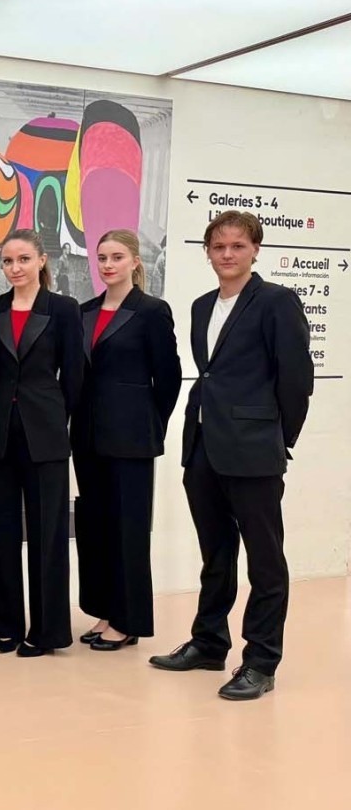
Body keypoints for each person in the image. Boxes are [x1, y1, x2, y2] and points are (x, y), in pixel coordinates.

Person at [150, 210, 313, 700]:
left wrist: (280, 437)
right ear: (207, 252)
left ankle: (261, 661)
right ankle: (208, 642)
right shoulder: (202, 306)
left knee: (264, 560)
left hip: (254, 448)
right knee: (214, 554)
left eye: (238, 246)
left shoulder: (277, 302)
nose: (227, 255)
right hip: (203, 445)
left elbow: (295, 378)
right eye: (219, 247)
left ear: (255, 250)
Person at [72, 229, 181, 651]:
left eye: (117, 256)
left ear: (135, 262)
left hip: (132, 435)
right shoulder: (84, 311)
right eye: (102, 257)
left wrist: (149, 420)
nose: (108, 264)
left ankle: (129, 618)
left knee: (129, 529)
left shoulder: (152, 311)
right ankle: (105, 611)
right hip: (87, 433)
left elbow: (168, 377)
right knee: (96, 525)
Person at [0, 229, 84, 657]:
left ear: (41, 260)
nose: (14, 268)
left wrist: (60, 423)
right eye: (7, 262)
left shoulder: (63, 309)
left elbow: (75, 377)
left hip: (46, 435)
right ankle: (4, 624)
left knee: (49, 534)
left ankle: (47, 630)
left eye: (22, 259)